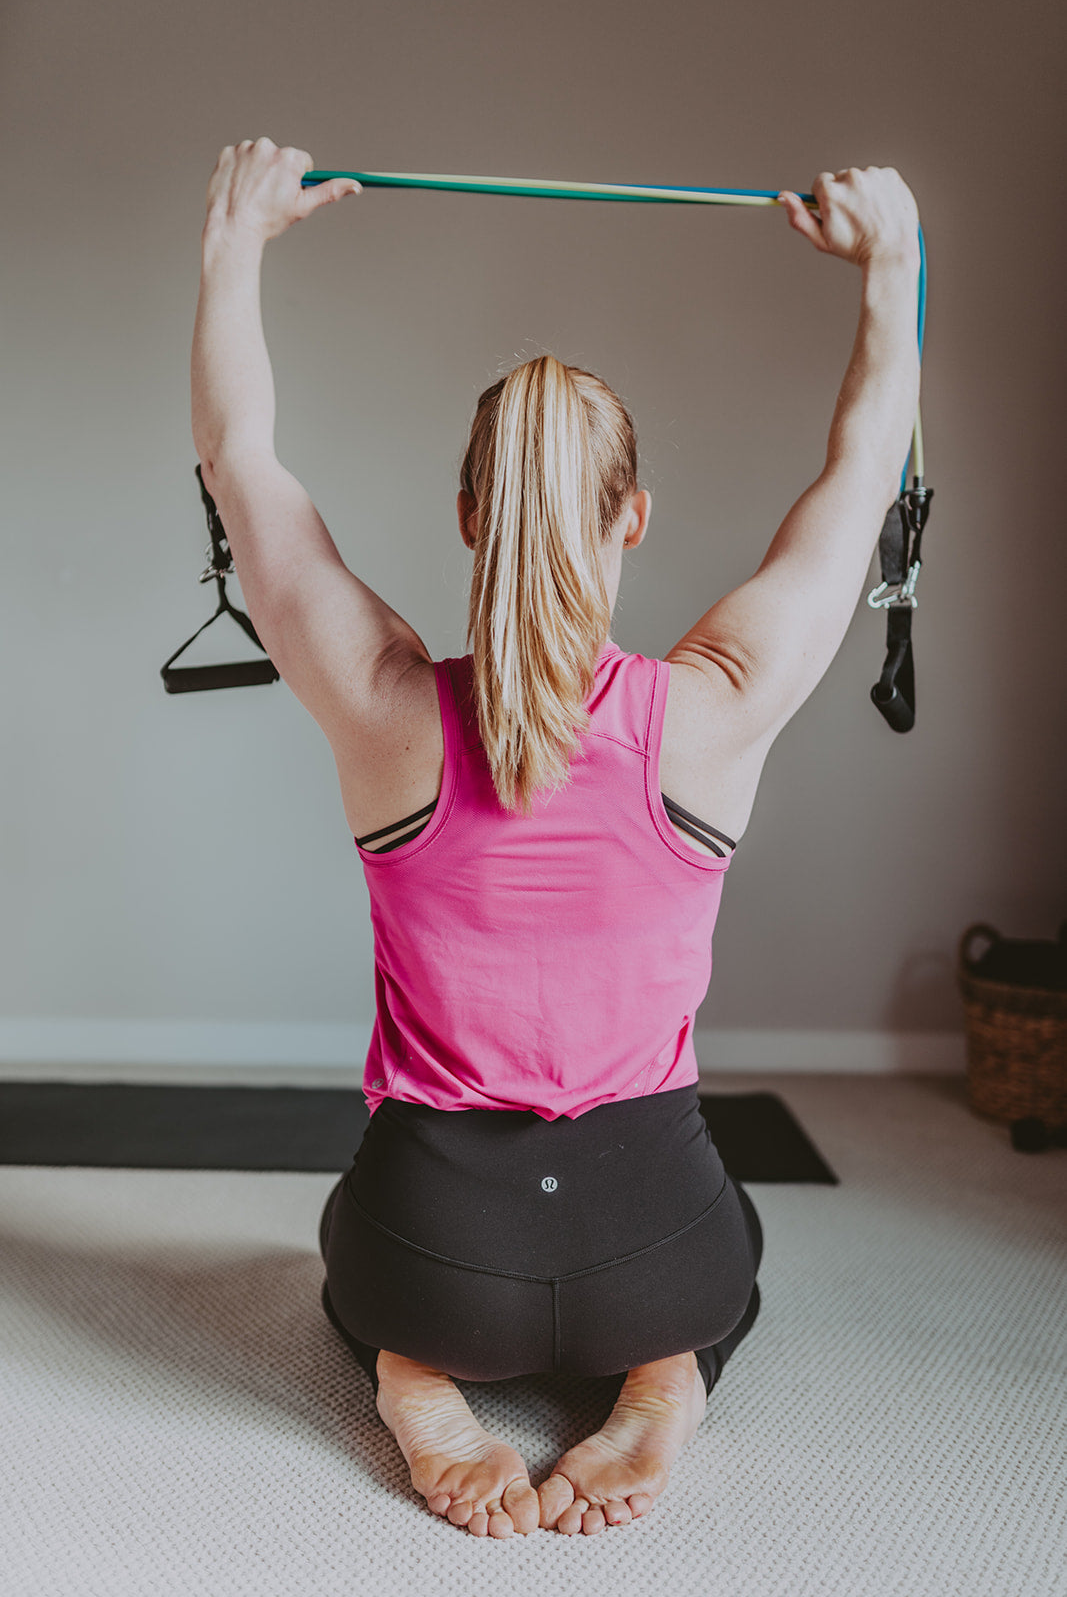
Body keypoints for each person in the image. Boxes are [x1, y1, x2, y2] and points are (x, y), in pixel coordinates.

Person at [191, 139, 921, 1539]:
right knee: (740, 1257)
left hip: (433, 1254)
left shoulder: (386, 707)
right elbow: (860, 475)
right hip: (660, 1247)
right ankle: (662, 1377)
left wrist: (234, 244)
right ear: (634, 518)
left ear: (470, 518)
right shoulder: (709, 712)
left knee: (348, 1256)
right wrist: (891, 267)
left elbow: (241, 459)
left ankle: (415, 1372)